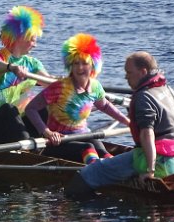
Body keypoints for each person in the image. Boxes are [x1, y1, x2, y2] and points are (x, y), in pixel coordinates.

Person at [66, 51, 174, 198]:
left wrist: (150, 171)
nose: (126, 77)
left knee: (89, 173)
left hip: (158, 157)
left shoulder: (142, 96)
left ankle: (74, 207)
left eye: (129, 73)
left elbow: (147, 135)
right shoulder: (167, 89)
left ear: (142, 72)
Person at [25, 33, 130, 164]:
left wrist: (128, 122)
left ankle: (116, 171)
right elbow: (31, 109)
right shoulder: (59, 87)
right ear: (70, 65)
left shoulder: (95, 86)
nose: (80, 68)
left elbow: (105, 106)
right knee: (88, 148)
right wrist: (47, 132)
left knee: (100, 149)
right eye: (76, 63)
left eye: (84, 63)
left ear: (92, 65)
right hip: (58, 141)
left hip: (83, 135)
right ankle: (99, 172)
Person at [0, 5, 51, 143]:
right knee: (9, 109)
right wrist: (11, 67)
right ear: (20, 37)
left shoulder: (32, 63)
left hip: (15, 122)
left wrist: (73, 81)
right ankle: (27, 146)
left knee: (43, 108)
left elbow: (49, 81)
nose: (35, 45)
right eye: (32, 40)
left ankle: (44, 141)